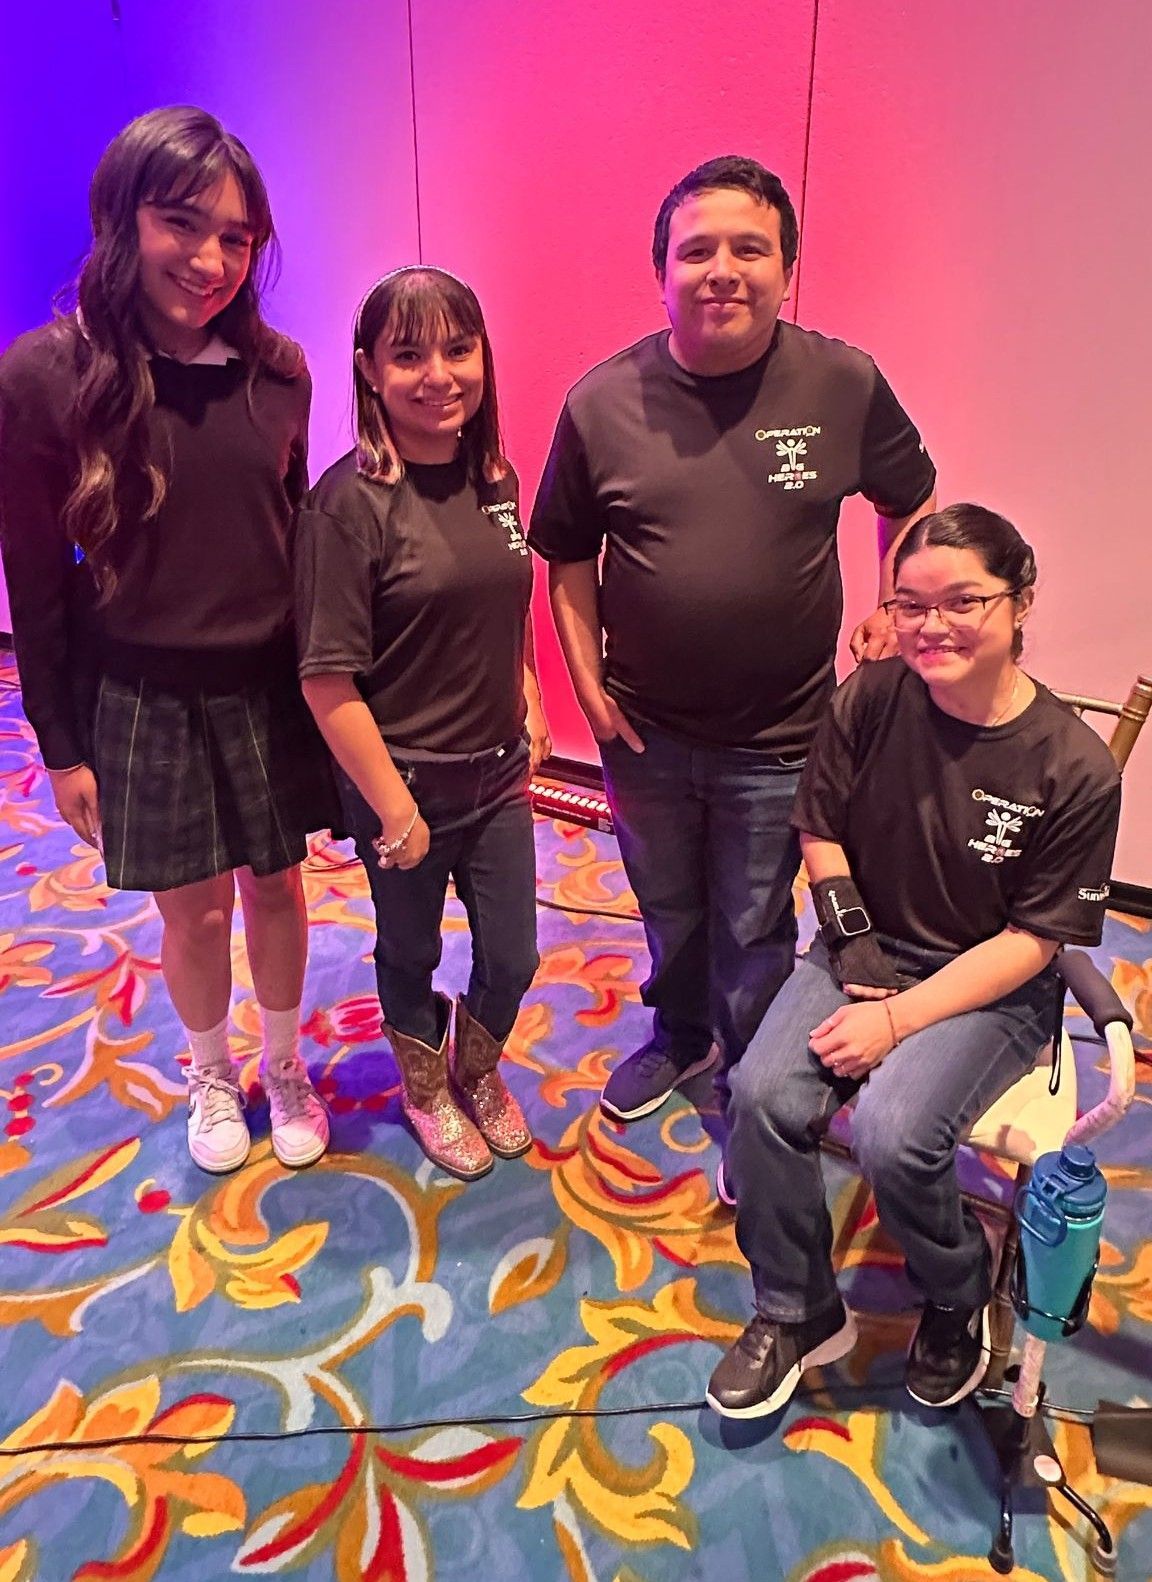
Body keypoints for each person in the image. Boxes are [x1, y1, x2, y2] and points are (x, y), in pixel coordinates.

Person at [528, 154, 937, 1134]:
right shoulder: (600, 403)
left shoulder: (842, 382)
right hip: (644, 731)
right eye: (696, 249)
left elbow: (911, 495)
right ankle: (677, 1033)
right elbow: (567, 554)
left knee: (755, 925)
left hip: (783, 730)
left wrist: (897, 600)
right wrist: (585, 681)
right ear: (661, 272)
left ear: (787, 268)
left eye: (748, 248)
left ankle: (746, 1079)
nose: (722, 269)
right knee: (668, 905)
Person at [706, 504, 1122, 1418]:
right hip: (868, 947)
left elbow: (1033, 942)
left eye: (961, 601)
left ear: (1020, 604)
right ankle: (799, 1308)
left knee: (895, 1134)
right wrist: (851, 938)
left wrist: (898, 1018)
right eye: (909, 604)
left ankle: (958, 1289)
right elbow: (821, 827)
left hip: (991, 982)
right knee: (761, 1094)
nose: (930, 626)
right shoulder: (872, 696)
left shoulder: (1076, 768)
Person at [0, 107, 333, 1175]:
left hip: (266, 685)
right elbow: (35, 576)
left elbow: (294, 539)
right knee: (190, 913)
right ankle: (209, 1069)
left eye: (237, 238)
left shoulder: (279, 372)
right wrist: (60, 742)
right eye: (181, 224)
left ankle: (283, 1063)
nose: (210, 259)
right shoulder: (47, 375)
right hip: (138, 691)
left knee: (278, 889)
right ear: (122, 219)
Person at [294, 266, 549, 1182]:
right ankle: (426, 1087)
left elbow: (498, 597)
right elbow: (326, 679)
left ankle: (474, 1071)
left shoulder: (496, 478)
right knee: (409, 947)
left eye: (458, 349)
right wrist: (396, 812)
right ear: (369, 370)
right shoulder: (349, 503)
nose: (439, 374)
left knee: (513, 955)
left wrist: (527, 684)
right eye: (409, 355)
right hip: (402, 781)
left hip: (498, 774)